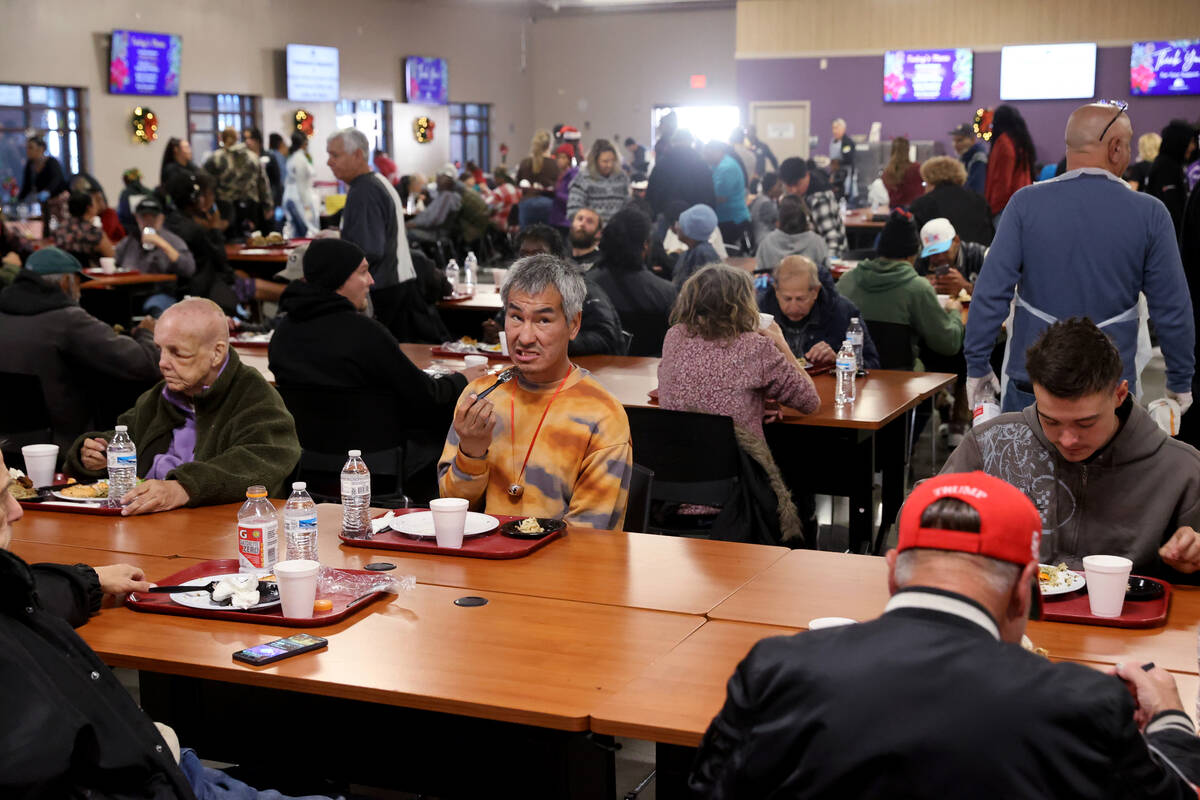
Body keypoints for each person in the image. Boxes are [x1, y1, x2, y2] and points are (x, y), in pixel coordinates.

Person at [691, 468, 1200, 798]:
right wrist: (1171, 722)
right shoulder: (1083, 704)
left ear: (893, 572)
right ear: (1024, 589)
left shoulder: (775, 668)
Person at [0, 455, 339, 800]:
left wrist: (91, 579)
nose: (17, 510)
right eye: (1, 497)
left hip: (166, 761)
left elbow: (28, 593)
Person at [965, 102, 1194, 414]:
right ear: (1115, 148)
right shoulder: (1150, 214)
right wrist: (1180, 379)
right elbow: (1172, 307)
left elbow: (990, 292)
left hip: (1032, 383)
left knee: (1024, 463)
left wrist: (977, 365)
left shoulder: (1024, 205)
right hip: (1111, 387)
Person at [947, 318, 1200, 580]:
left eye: (1085, 423)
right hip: (1014, 614)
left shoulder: (1181, 470)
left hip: (1130, 617)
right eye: (1051, 421)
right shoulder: (990, 444)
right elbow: (917, 514)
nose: (1068, 440)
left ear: (1119, 395)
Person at [270, 239, 486, 496]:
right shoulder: (363, 334)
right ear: (338, 278)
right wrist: (463, 378)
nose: (371, 280)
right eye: (362, 271)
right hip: (380, 466)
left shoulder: (283, 335)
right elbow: (427, 395)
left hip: (308, 467)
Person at [437, 254, 632, 529]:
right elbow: (450, 512)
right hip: (481, 564)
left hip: (559, 568)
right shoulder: (481, 396)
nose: (525, 337)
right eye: (516, 317)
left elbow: (590, 536)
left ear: (574, 324)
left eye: (542, 321)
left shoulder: (601, 415)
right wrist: (472, 452)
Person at [66, 297, 300, 513]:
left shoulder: (254, 396)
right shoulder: (160, 396)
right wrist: (97, 452)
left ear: (216, 353)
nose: (163, 363)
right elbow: (126, 433)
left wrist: (184, 487)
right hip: (147, 526)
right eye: (161, 350)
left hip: (226, 533)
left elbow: (259, 461)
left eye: (178, 353)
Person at [658, 264, 819, 543]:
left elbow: (705, 390)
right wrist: (782, 343)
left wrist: (754, 402)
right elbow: (809, 401)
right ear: (743, 302)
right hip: (739, 498)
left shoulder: (674, 337)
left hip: (672, 491)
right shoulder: (755, 347)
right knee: (802, 483)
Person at [0, 247, 159, 448]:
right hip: (68, 445)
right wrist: (147, 332)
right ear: (67, 282)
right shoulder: (68, 320)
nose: (80, 291)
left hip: (8, 444)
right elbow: (146, 363)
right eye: (78, 283)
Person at [327, 127, 422, 341]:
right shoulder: (374, 182)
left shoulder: (364, 191)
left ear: (358, 155)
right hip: (394, 283)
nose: (329, 162)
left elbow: (368, 250)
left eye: (335, 155)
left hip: (380, 287)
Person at [838, 209, 964, 368]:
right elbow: (949, 344)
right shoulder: (917, 289)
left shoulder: (845, 282)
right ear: (913, 255)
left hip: (852, 375)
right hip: (903, 382)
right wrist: (954, 312)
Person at [758, 254, 879, 369]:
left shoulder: (843, 312)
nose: (793, 307)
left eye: (801, 299)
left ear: (815, 291)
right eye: (787, 299)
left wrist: (838, 360)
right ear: (776, 291)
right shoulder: (758, 313)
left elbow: (872, 363)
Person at [588, 208, 678, 354]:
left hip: (591, 373)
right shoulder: (666, 292)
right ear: (645, 244)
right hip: (647, 373)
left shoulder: (584, 285)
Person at [163, 171, 242, 315]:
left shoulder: (168, 223)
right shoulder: (195, 230)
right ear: (194, 198)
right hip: (202, 292)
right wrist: (215, 230)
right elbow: (221, 263)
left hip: (179, 289)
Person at [116, 197, 196, 316]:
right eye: (144, 217)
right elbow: (116, 266)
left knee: (155, 308)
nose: (148, 221)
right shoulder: (128, 242)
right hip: (130, 293)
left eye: (152, 217)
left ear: (161, 219)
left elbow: (189, 269)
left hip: (160, 293)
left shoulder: (172, 241)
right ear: (137, 218)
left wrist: (162, 244)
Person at [204, 126, 272, 238]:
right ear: (237, 138)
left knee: (229, 245)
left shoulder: (215, 158)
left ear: (222, 138)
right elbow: (263, 184)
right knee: (252, 243)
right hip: (250, 208)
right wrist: (267, 206)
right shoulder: (253, 157)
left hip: (224, 208)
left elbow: (206, 183)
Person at [910, 155, 994, 246]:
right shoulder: (979, 201)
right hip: (978, 256)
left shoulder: (922, 204)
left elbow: (914, 240)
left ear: (931, 180)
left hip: (941, 257)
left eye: (925, 183)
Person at [778, 156, 846, 257]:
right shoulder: (795, 194)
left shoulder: (818, 198)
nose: (793, 190)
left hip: (828, 259)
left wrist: (828, 265)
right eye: (789, 186)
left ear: (807, 175)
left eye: (797, 184)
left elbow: (832, 239)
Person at [755, 194, 830, 281]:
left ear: (780, 218)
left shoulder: (766, 243)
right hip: (811, 294)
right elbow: (827, 274)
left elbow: (759, 276)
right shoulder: (817, 242)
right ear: (805, 219)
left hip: (774, 293)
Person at [645, 129, 717, 219]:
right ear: (691, 142)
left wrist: (653, 214)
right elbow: (708, 191)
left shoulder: (663, 162)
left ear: (673, 142)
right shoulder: (700, 162)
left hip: (667, 212)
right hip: (694, 214)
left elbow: (653, 189)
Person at [1146, 119, 1198, 238]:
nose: (1193, 147)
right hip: (1167, 238)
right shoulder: (1166, 167)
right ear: (1179, 142)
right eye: (1190, 142)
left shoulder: (1171, 165)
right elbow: (1172, 211)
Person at [985, 104, 1036, 221]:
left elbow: (1002, 180)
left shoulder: (1004, 143)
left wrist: (992, 208)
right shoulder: (1021, 141)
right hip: (1022, 202)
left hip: (1005, 206)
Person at [914, 217, 987, 297]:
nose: (939, 257)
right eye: (932, 253)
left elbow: (997, 293)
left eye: (943, 250)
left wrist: (967, 287)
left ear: (956, 240)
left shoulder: (980, 255)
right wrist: (921, 287)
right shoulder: (920, 263)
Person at [567, 139, 630, 225]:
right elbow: (573, 211)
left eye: (612, 160)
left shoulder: (622, 178)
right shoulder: (583, 179)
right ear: (595, 161)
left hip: (618, 231)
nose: (610, 165)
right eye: (605, 161)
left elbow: (627, 206)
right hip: (591, 233)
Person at [702, 140, 752, 247]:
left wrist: (700, 201)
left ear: (717, 151)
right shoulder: (717, 165)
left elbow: (720, 197)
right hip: (724, 218)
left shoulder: (727, 168)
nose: (705, 157)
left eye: (707, 153)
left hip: (732, 220)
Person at [52, 190, 115, 269]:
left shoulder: (60, 229)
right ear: (89, 208)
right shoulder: (93, 233)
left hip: (64, 275)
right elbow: (112, 256)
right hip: (91, 277)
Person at [671, 203, 722, 289]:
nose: (676, 226)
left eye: (680, 223)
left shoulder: (702, 255)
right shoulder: (693, 250)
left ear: (689, 231)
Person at [516, 129, 559, 227]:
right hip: (548, 205)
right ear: (549, 145)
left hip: (527, 204)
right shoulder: (554, 164)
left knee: (526, 239)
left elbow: (517, 183)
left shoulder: (525, 162)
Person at [283, 131, 319, 237]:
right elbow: (301, 184)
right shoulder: (299, 159)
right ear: (304, 143)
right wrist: (307, 206)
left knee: (297, 230)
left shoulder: (293, 157)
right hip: (300, 200)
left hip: (293, 198)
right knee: (306, 231)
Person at [243, 127, 280, 220]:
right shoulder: (244, 159)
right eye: (245, 139)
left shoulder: (269, 156)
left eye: (250, 138)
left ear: (257, 140)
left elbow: (276, 182)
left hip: (267, 202)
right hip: (251, 205)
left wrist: (273, 205)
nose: (248, 142)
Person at [17, 132, 68, 202]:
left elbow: (57, 179)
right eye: (27, 148)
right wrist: (18, 200)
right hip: (44, 203)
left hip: (59, 200)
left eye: (30, 148)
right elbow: (27, 186)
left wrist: (47, 191)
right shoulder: (30, 165)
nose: (27, 151)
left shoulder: (51, 162)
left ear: (41, 149)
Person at [882, 136, 923, 208]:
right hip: (914, 209)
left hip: (895, 210)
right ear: (908, 150)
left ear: (892, 150)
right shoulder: (917, 168)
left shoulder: (887, 171)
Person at [949, 122, 988, 196]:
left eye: (960, 140)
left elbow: (976, 188)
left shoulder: (978, 158)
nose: (955, 144)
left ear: (973, 140)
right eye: (954, 141)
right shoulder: (963, 157)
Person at [548, 144, 579, 235]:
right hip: (555, 219)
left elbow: (572, 198)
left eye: (563, 157)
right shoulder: (557, 175)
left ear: (569, 159)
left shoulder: (573, 176)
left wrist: (556, 194)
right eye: (558, 158)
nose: (560, 161)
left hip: (566, 221)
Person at [749, 171, 781, 249]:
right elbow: (780, 225)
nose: (781, 189)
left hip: (760, 239)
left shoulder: (760, 198)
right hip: (764, 242)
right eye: (779, 186)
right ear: (771, 188)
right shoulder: (766, 203)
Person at [116, 166, 152, 236]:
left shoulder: (125, 194)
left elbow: (123, 214)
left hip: (131, 231)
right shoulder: (148, 192)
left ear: (126, 180)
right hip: (150, 229)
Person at [828, 118, 856, 200]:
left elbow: (848, 159)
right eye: (833, 128)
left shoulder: (847, 143)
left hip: (845, 175)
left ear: (843, 129)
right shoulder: (833, 141)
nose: (834, 131)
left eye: (837, 128)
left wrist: (835, 162)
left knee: (844, 196)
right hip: (834, 173)